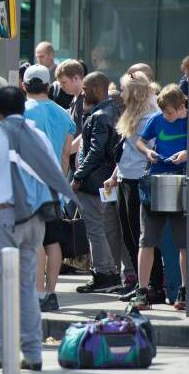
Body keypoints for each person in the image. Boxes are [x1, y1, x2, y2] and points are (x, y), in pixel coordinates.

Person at [0, 87, 77, 372]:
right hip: (35, 220)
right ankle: (33, 353)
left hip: (2, 219)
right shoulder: (36, 135)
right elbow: (53, 172)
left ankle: (1, 353)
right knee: (28, 287)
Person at [103, 71, 167, 304]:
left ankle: (154, 286)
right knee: (130, 236)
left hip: (140, 179)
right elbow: (126, 151)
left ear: (135, 91)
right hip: (126, 177)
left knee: (143, 237)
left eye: (124, 89)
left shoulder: (151, 114)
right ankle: (144, 284)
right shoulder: (134, 112)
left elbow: (149, 149)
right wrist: (114, 175)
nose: (121, 93)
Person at [22, 65, 76, 311]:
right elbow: (66, 154)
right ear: (48, 87)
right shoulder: (63, 114)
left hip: (31, 185)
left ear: (24, 86)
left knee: (36, 240)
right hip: (56, 184)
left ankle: (39, 292)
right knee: (53, 241)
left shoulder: (23, 112)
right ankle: (51, 291)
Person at [130, 84, 188, 311]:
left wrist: (186, 154)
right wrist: (147, 152)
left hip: (182, 183)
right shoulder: (157, 119)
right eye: (164, 112)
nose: (167, 116)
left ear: (182, 107)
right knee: (148, 240)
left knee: (184, 242)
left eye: (171, 113)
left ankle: (184, 290)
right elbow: (140, 141)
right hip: (157, 181)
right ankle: (142, 290)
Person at [71, 71, 122, 293]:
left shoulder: (100, 115)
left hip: (93, 182)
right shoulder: (112, 111)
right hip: (103, 179)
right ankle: (109, 272)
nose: (82, 95)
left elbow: (95, 151)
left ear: (97, 90)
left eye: (84, 90)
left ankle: (104, 274)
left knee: (95, 229)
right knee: (104, 227)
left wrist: (78, 175)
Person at [55, 60, 86, 171]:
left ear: (76, 78)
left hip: (79, 161)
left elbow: (85, 132)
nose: (61, 87)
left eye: (64, 82)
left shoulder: (84, 100)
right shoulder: (75, 97)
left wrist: (66, 151)